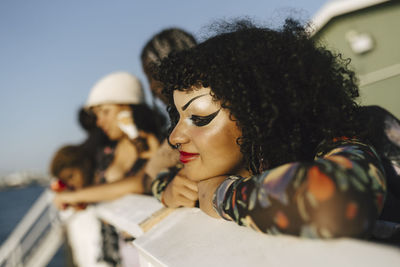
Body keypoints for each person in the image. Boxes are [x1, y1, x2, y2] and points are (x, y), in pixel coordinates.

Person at [156, 19, 400, 239]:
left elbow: (334, 204)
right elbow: (158, 180)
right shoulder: (223, 164)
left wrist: (220, 194)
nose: (175, 136)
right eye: (176, 117)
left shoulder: (344, 141)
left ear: (260, 116)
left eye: (199, 118)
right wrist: (167, 190)